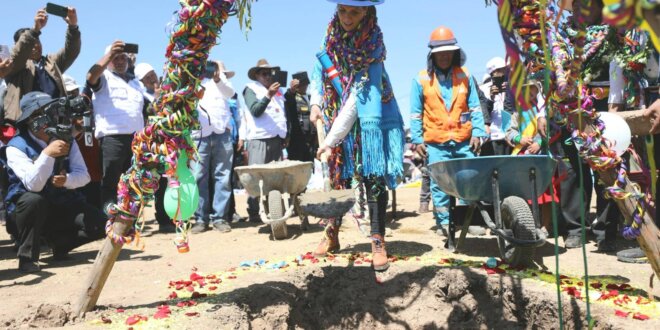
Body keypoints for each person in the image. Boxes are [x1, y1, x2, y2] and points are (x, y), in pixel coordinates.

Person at [310, 0, 405, 271]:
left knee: (372, 176)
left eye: (354, 12)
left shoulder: (373, 47)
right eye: (342, 11)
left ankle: (377, 240)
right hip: (335, 113)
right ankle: (332, 234)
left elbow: (356, 99)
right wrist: (316, 103)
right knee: (338, 178)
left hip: (370, 116)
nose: (347, 18)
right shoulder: (330, 38)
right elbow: (319, 73)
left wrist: (330, 140)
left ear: (366, 12)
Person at [0, 91, 105, 273]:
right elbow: (34, 185)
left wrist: (66, 180)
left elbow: (84, 176)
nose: (52, 118)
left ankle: (60, 244)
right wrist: (48, 154)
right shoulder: (15, 147)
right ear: (31, 120)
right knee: (33, 200)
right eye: (43, 113)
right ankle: (27, 258)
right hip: (27, 213)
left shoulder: (66, 139)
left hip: (59, 203)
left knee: (102, 224)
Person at [409, 26, 488, 237]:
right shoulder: (421, 79)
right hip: (435, 142)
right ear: (432, 55)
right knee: (440, 185)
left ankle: (468, 220)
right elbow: (415, 114)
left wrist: (478, 132)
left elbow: (475, 107)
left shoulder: (465, 76)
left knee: (468, 181)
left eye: (448, 52)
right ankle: (445, 222)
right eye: (439, 53)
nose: (444, 57)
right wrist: (418, 141)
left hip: (463, 140)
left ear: (455, 53)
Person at [86, 41, 145, 214]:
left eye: (123, 58)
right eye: (115, 58)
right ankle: (109, 221)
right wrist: (109, 54)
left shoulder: (136, 84)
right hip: (113, 139)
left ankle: (130, 220)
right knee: (111, 182)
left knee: (134, 181)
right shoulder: (104, 78)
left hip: (136, 139)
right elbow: (90, 77)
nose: (120, 61)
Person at [2, 7, 81, 123]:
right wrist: (35, 30)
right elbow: (19, 53)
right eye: (31, 43)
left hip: (54, 121)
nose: (35, 45)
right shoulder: (13, 66)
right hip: (24, 124)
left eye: (37, 41)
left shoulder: (51, 62)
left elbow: (71, 51)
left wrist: (73, 26)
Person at [191, 60, 236, 233]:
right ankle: (200, 219)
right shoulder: (192, 81)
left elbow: (230, 93)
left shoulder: (222, 81)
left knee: (223, 177)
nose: (209, 70)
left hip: (222, 134)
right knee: (197, 177)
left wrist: (218, 79)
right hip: (199, 135)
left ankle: (220, 218)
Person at [242, 59, 288, 222]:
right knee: (257, 176)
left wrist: (285, 136)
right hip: (259, 139)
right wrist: (268, 95)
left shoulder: (279, 92)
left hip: (276, 139)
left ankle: (272, 210)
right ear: (256, 75)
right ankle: (254, 213)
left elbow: (282, 115)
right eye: (264, 74)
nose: (268, 76)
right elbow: (255, 111)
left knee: (274, 178)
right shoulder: (250, 89)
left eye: (270, 73)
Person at [133, 62, 176, 233]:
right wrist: (158, 100)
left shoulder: (166, 93)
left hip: (165, 145)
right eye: (147, 77)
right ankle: (136, 221)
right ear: (141, 81)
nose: (152, 79)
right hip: (147, 146)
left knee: (163, 182)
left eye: (152, 74)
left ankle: (164, 220)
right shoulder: (140, 96)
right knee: (143, 182)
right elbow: (147, 116)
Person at [480, 57, 512, 156]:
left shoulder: (513, 87)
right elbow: (482, 114)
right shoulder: (483, 89)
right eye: (500, 70)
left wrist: (510, 93)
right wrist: (491, 97)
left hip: (510, 137)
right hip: (490, 139)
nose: (504, 73)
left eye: (506, 69)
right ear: (493, 72)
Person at [285, 72, 317, 162]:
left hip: (311, 139)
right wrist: (291, 90)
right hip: (297, 139)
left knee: (311, 166)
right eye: (302, 85)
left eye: (306, 84)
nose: (304, 87)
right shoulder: (292, 97)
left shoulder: (311, 98)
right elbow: (287, 99)